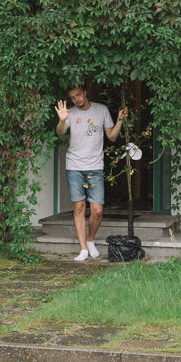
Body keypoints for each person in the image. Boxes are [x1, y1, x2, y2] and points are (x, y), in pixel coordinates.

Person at [54, 85, 127, 261]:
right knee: (79, 207)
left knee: (97, 210)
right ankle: (83, 249)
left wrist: (120, 120)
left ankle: (90, 239)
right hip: (74, 166)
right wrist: (62, 120)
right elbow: (60, 132)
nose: (76, 99)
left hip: (95, 166)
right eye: (73, 97)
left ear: (85, 92)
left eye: (78, 95)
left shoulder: (101, 110)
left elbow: (112, 137)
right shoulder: (70, 113)